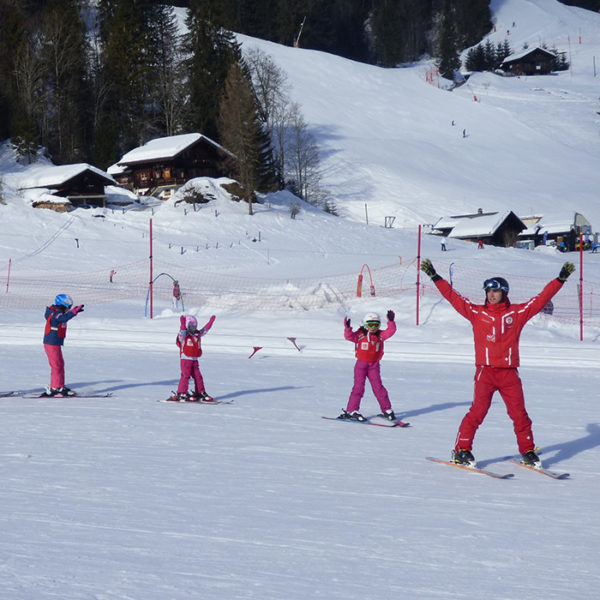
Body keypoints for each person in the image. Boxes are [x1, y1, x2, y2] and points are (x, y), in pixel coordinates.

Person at [420, 258, 575, 468]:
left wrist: (560, 280)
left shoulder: (516, 314)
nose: (490, 295)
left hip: (509, 374)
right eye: (487, 291)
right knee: (477, 412)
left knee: (519, 414)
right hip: (485, 372)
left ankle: (528, 451)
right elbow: (452, 297)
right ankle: (461, 450)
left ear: (504, 292)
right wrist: (435, 276)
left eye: (495, 291)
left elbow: (540, 300)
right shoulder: (477, 313)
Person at [339, 311, 397, 422]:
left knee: (378, 388)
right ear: (365, 324)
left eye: (376, 325)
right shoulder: (360, 334)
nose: (373, 327)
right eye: (370, 324)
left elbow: (391, 331)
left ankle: (387, 410)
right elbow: (349, 337)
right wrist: (347, 328)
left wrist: (391, 321)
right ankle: (352, 410)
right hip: (361, 365)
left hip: (374, 365)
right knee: (358, 388)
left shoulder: (380, 335)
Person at [43, 294, 84, 397]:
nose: (68, 309)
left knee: (60, 364)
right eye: (68, 307)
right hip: (51, 343)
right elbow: (63, 318)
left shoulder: (57, 312)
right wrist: (73, 312)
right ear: (62, 305)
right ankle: (55, 388)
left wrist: (73, 311)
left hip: (55, 343)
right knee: (56, 365)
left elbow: (64, 316)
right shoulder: (56, 313)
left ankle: (60, 386)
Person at [169, 314, 216, 402]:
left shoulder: (197, 334)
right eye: (191, 326)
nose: (193, 328)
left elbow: (204, 330)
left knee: (198, 376)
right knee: (185, 376)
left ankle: (200, 392)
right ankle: (182, 393)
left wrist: (210, 322)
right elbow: (181, 333)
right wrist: (182, 324)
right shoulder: (184, 335)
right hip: (185, 359)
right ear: (187, 326)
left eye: (195, 326)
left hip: (194, 360)